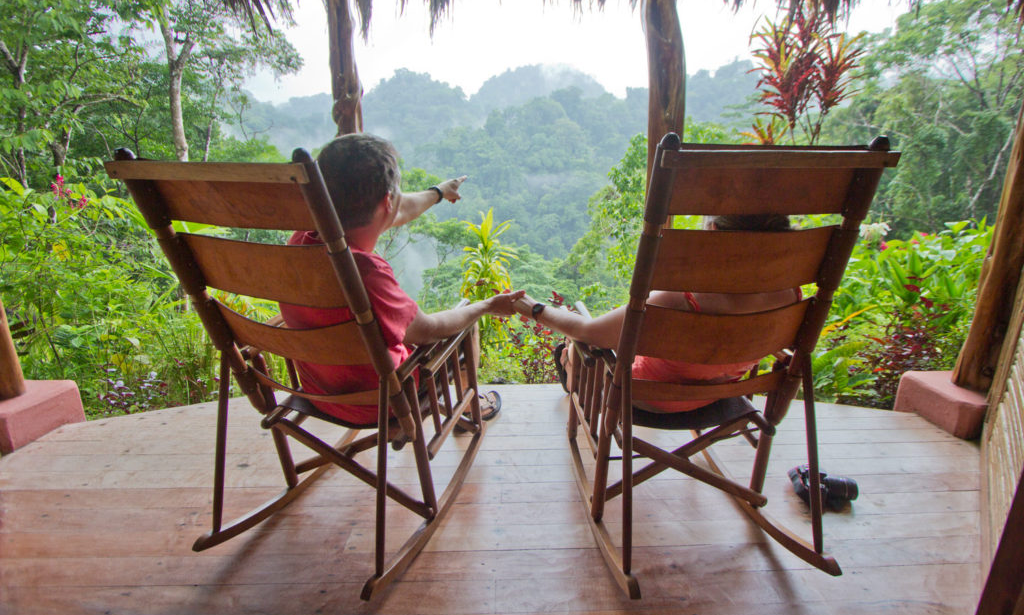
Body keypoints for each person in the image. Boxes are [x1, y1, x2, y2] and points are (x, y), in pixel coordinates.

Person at [279, 132, 523, 424]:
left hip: (319, 393)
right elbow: (428, 330)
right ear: (386, 202)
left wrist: (438, 193)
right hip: (380, 402)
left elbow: (397, 209)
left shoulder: (297, 243)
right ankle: (470, 406)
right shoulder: (366, 272)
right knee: (465, 322)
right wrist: (486, 306)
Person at [512, 214, 798, 414]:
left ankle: (569, 366)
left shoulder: (682, 299)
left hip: (650, 399)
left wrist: (535, 309)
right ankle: (569, 360)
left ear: (713, 232)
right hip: (718, 395)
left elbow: (589, 332)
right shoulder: (791, 296)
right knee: (605, 338)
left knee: (583, 345)